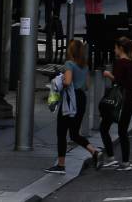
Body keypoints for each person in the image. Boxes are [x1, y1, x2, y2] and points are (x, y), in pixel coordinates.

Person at [46, 38, 100, 173]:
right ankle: (93, 151)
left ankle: (61, 165)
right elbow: (87, 86)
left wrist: (59, 80)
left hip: (70, 100)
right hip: (81, 98)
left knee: (61, 132)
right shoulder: (85, 66)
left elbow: (68, 81)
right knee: (74, 133)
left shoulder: (69, 64)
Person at [99, 37, 132, 170]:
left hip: (117, 102)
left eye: (115, 48)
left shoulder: (120, 63)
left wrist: (107, 74)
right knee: (123, 132)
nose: (114, 50)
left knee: (104, 128)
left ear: (120, 49)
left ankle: (111, 157)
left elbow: (118, 82)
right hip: (128, 102)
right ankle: (126, 162)